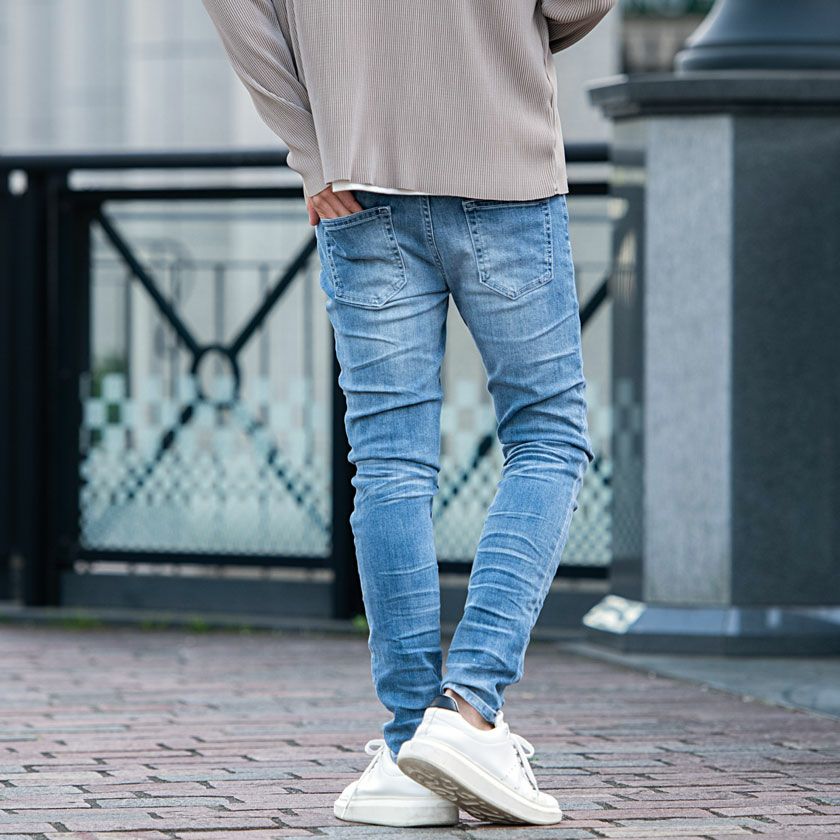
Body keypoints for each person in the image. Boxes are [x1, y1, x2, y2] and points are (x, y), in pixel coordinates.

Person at [201, 0, 612, 827]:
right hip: (500, 157)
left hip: (355, 175)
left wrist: (311, 151)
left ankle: (406, 751)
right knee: (548, 435)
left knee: (390, 461)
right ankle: (468, 712)